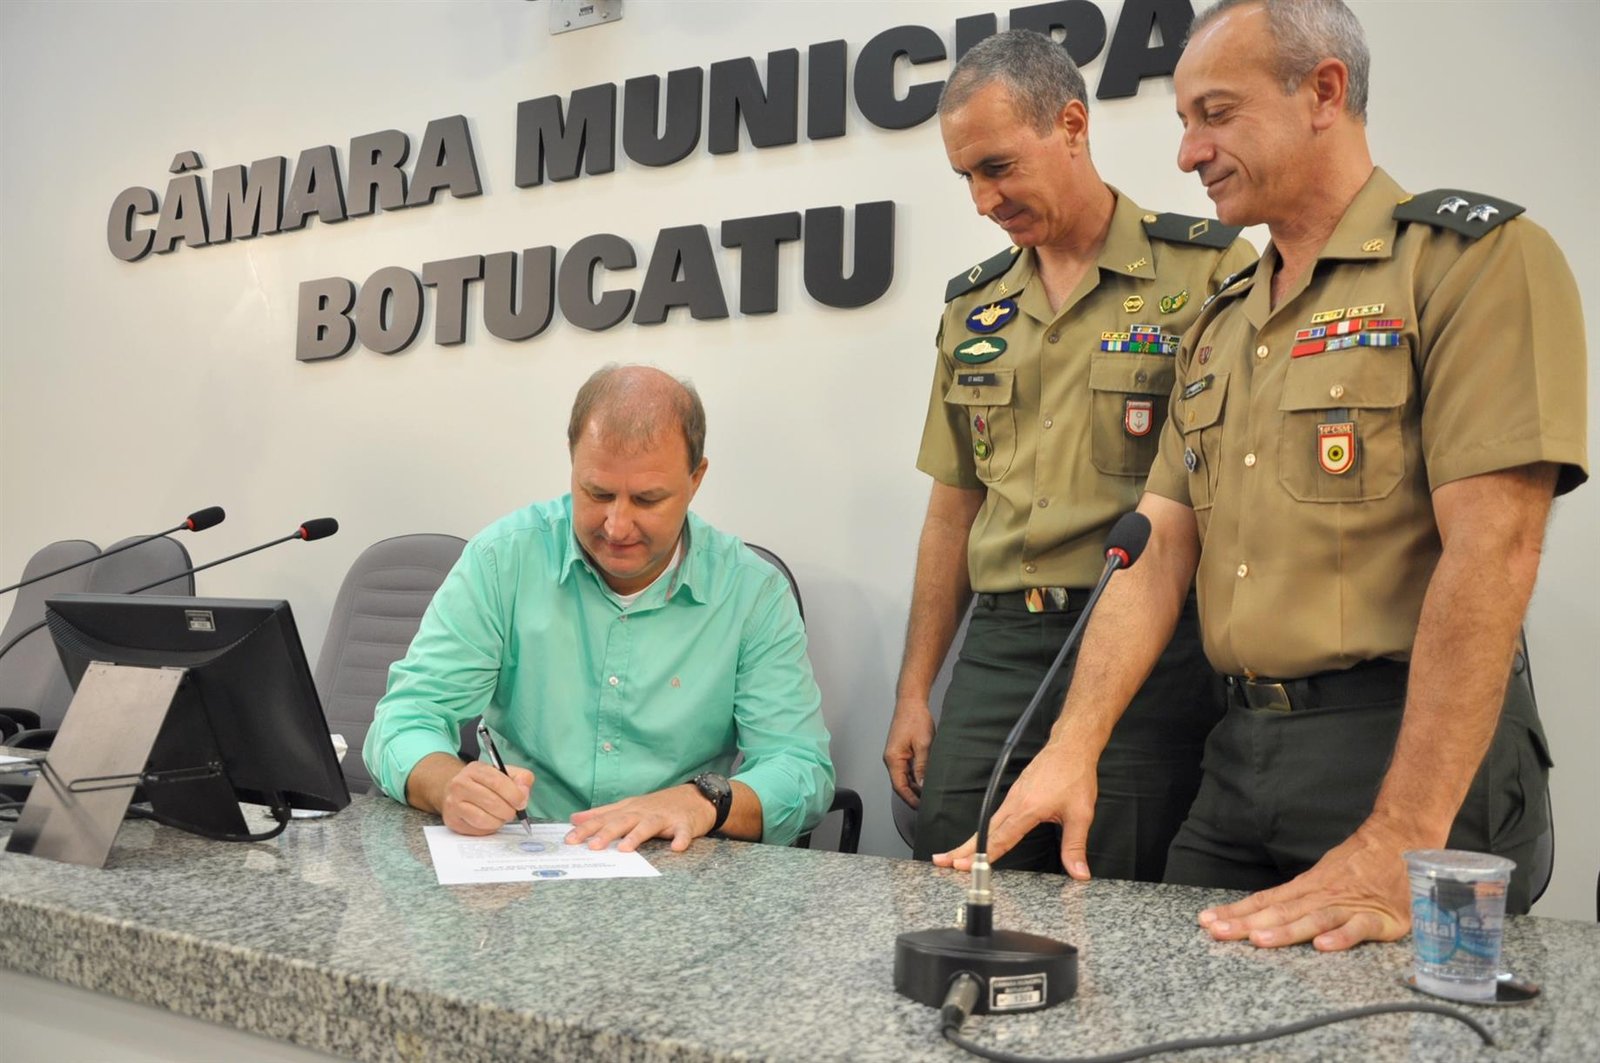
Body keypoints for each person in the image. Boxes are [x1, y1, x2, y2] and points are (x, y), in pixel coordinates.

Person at [937, 0, 1586, 950]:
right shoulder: (1221, 318)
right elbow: (1154, 547)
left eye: (1216, 113)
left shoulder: (1469, 264)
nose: (1188, 152)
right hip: (1240, 756)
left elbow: (1496, 549)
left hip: (1408, 754)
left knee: (1407, 1035)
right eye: (1184, 122)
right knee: (1174, 997)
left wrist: (1402, 833)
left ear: (1323, 92)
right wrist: (1069, 749)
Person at [887, 29, 1256, 877]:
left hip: (1141, 645)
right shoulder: (974, 310)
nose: (983, 199)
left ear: (1073, 125)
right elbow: (953, 509)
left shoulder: (1206, 272)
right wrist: (915, 690)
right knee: (950, 867)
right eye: (967, 178)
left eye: (999, 166)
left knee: (1114, 886)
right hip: (1001, 643)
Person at [364, 364, 835, 850]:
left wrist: (702, 802)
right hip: (520, 856)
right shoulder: (503, 560)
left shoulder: (752, 593)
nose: (616, 525)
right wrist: (448, 786)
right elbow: (405, 718)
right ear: (572, 464)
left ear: (696, 480)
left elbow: (800, 769)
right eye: (597, 493)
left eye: (648, 499)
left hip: (672, 866)